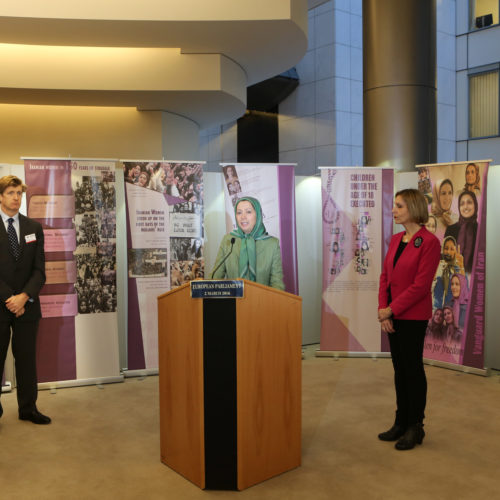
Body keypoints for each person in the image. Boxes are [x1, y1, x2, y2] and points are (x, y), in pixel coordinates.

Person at [377, 189, 440, 450]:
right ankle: (401, 421)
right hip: (391, 315)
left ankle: (416, 426)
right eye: (394, 206)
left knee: (412, 370)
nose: (394, 210)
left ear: (413, 208)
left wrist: (390, 310)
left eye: (399, 206)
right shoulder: (395, 240)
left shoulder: (430, 242)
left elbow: (421, 286)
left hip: (412, 316)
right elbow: (385, 277)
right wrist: (384, 310)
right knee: (399, 370)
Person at [0, 175, 50, 424]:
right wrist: (10, 298)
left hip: (27, 305)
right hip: (1, 304)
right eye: (11, 192)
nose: (16, 197)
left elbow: (40, 271)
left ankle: (28, 409)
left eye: (19, 193)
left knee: (27, 360)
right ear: (0, 196)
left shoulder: (34, 228)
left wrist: (23, 297)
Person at [211, 197, 285, 290]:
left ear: (257, 215)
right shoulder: (229, 241)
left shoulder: (272, 244)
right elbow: (214, 278)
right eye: (239, 212)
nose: (243, 217)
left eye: (248, 212)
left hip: (262, 302)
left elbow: (277, 284)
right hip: (234, 302)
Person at [444, 191, 478, 273]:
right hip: (452, 278)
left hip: (474, 280)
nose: (465, 207)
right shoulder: (450, 229)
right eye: (462, 204)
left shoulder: (481, 231)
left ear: (475, 205)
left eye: (469, 202)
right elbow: (444, 257)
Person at [433, 236, 465, 309]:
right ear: (442, 249)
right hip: (436, 312)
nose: (448, 252)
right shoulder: (437, 265)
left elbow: (464, 290)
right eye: (446, 248)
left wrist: (461, 266)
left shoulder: (457, 268)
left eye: (452, 249)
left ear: (455, 251)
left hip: (452, 311)